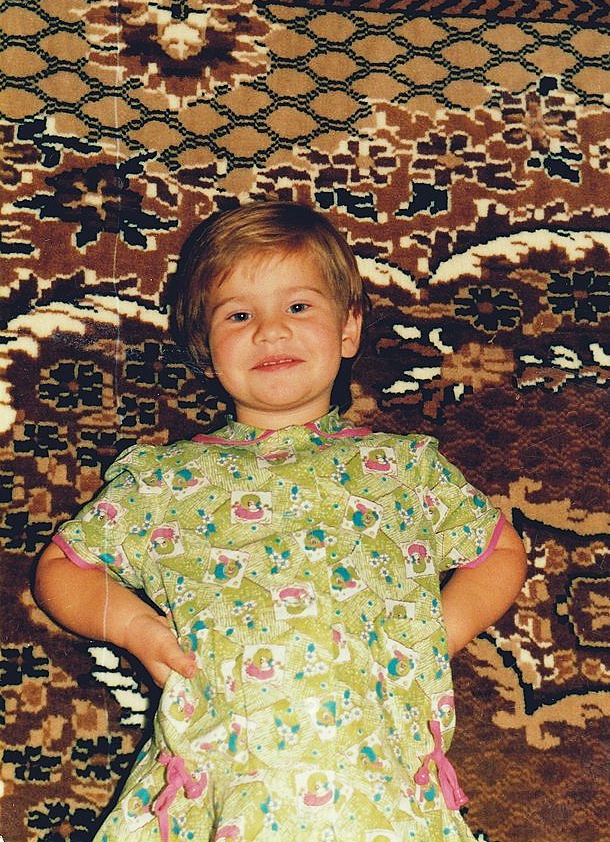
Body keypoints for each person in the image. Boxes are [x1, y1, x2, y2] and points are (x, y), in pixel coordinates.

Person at [35, 200, 527, 842]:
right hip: (217, 782)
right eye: (239, 315)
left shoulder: (403, 469)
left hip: (381, 786)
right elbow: (61, 568)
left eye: (298, 306)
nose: (270, 331)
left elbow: (497, 550)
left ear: (348, 329)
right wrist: (138, 631)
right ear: (207, 348)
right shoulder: (162, 482)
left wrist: (437, 632)